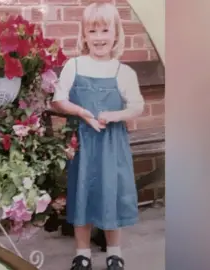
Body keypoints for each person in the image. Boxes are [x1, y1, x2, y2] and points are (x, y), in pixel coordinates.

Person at [51, 3, 145, 270]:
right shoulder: (75, 65)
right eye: (93, 31)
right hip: (83, 143)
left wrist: (113, 116)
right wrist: (83, 113)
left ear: (116, 34)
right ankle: (82, 253)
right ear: (84, 35)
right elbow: (59, 99)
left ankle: (114, 252)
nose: (100, 37)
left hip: (112, 144)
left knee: (111, 194)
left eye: (106, 30)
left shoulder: (123, 72)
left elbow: (136, 106)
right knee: (83, 192)